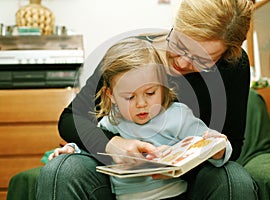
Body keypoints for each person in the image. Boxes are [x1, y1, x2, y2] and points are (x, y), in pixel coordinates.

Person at [36, 0, 257, 199]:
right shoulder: (130, 55)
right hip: (120, 182)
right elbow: (70, 119)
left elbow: (231, 145)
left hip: (189, 182)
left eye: (202, 59)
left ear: (227, 54)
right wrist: (111, 144)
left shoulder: (233, 67)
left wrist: (185, 160)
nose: (182, 62)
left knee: (234, 179)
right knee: (61, 169)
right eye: (179, 44)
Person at [47, 38, 232, 199]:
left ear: (163, 87)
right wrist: (71, 149)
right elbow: (91, 148)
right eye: (130, 97)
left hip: (174, 196)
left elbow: (211, 143)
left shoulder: (179, 116)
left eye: (150, 93)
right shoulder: (111, 123)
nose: (141, 103)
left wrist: (218, 150)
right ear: (111, 96)